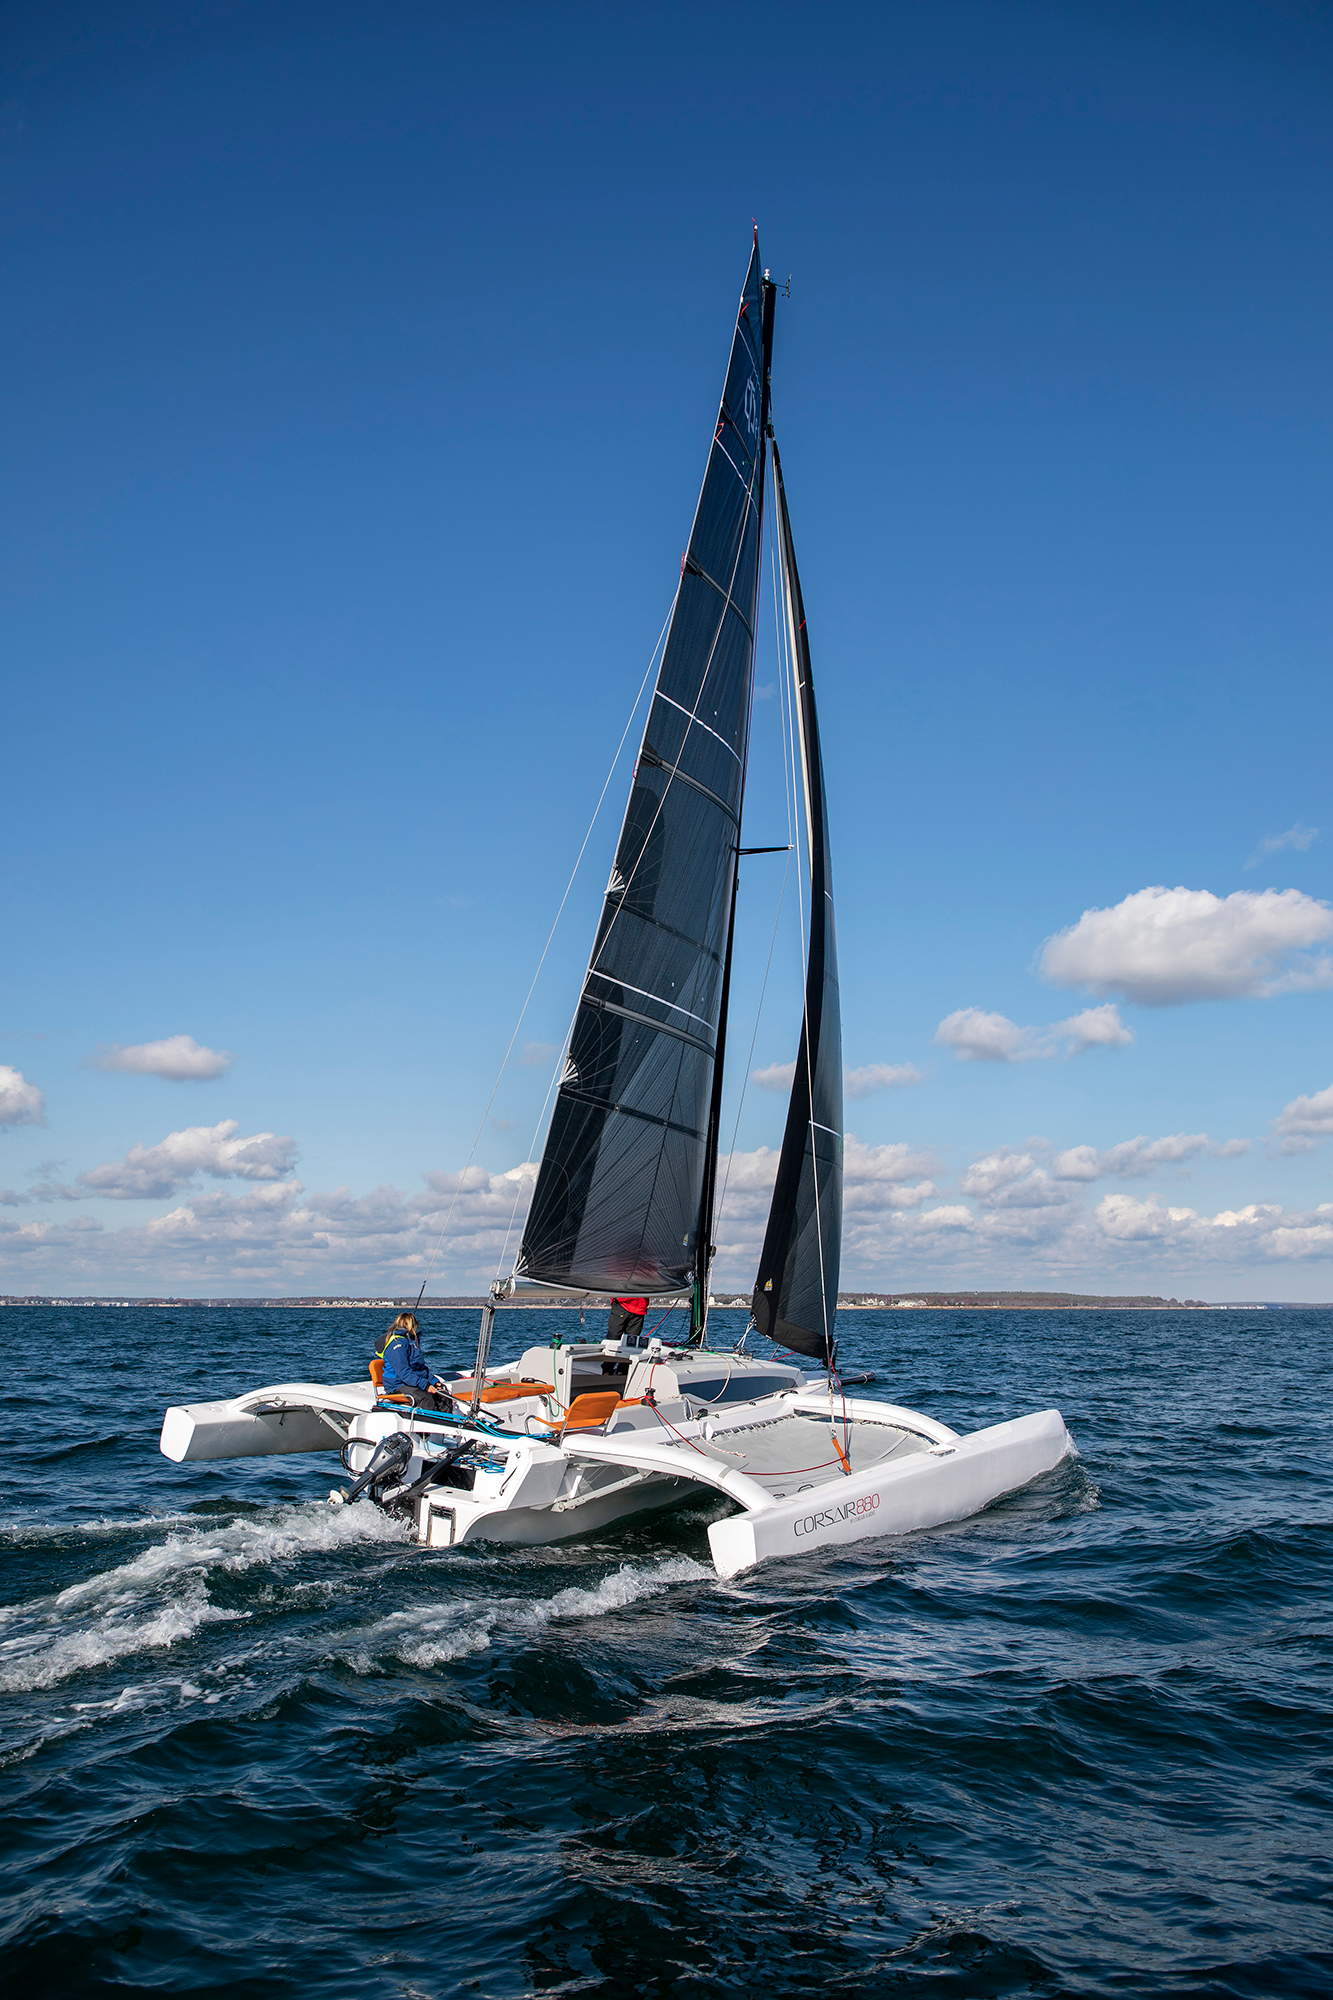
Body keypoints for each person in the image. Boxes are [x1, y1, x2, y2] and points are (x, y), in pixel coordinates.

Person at [375, 1312, 455, 1410]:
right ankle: (426, 1421)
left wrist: (434, 1382)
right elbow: (404, 1372)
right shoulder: (397, 1344)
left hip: (411, 1382)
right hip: (397, 1385)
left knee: (444, 1395)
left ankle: (446, 1421)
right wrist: (425, 1385)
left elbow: (420, 1369)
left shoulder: (412, 1343)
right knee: (425, 1398)